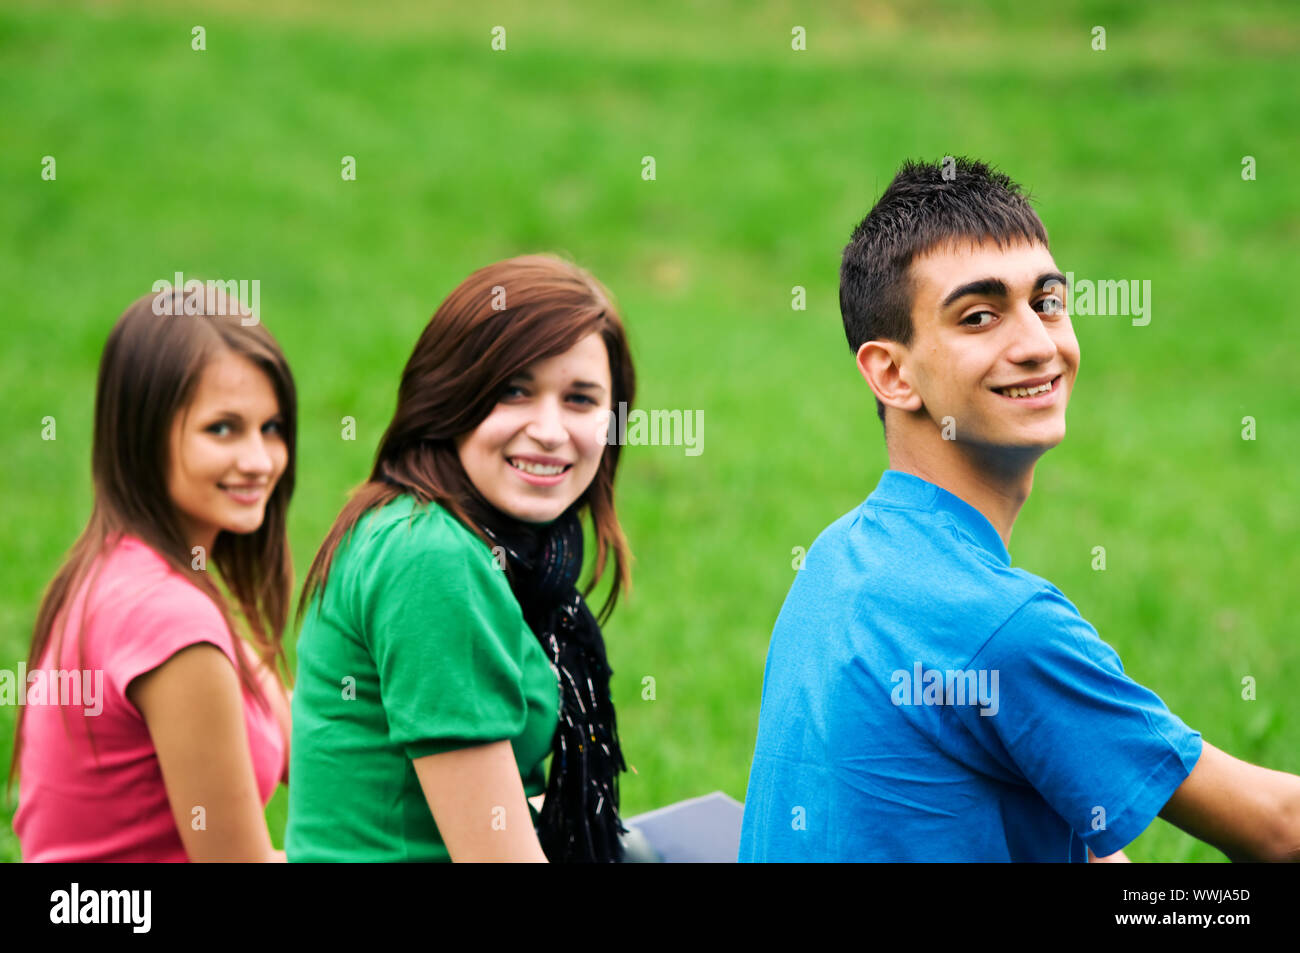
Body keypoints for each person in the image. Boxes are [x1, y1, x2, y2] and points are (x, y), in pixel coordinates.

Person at [739, 157, 1300, 863]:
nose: (1037, 344)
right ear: (891, 372)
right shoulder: (1001, 627)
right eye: (980, 316)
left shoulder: (837, 557)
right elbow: (1279, 827)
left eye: (1047, 302)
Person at [286, 254, 635, 863]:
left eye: (580, 400)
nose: (550, 430)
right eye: (514, 391)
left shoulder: (470, 541)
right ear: (450, 392)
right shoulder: (431, 557)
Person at [12, 284, 295, 862]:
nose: (259, 460)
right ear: (143, 435)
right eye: (223, 428)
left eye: (271, 428)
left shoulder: (127, 571)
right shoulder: (168, 618)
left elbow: (308, 738)